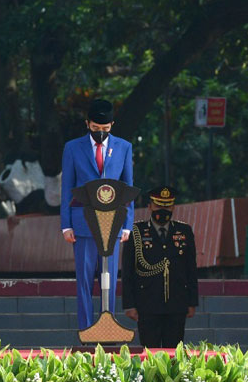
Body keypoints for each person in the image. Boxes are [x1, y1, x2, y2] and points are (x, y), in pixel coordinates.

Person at [60, 99, 135, 330]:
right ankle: (86, 329)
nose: (100, 133)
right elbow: (66, 188)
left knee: (109, 280)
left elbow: (128, 186)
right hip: (82, 223)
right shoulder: (73, 147)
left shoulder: (123, 147)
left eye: (105, 128)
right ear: (87, 124)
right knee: (84, 280)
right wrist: (66, 224)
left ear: (112, 124)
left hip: (112, 223)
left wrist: (128, 225)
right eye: (95, 128)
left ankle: (107, 325)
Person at [122, 185, 198, 347]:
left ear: (173, 207)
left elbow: (191, 269)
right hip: (147, 303)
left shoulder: (184, 231)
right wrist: (129, 304)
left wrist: (192, 302)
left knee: (173, 354)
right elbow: (127, 271)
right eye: (158, 205)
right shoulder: (136, 231)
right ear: (150, 206)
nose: (163, 209)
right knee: (150, 353)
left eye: (168, 205)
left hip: (176, 303)